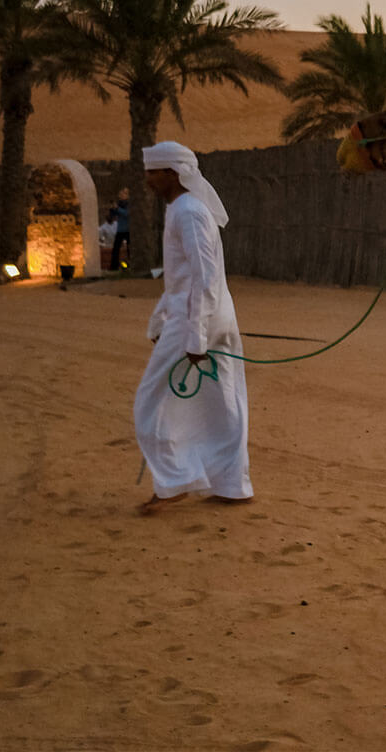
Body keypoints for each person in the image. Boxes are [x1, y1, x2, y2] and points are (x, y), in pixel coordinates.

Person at [132, 141, 252, 514]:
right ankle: (233, 485)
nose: (148, 179)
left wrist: (196, 337)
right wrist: (159, 317)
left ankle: (173, 482)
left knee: (151, 402)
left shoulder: (188, 212)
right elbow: (181, 279)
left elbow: (205, 279)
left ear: (173, 173)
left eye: (154, 172)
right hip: (202, 316)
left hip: (198, 320)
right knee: (222, 402)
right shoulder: (182, 210)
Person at [109, 188, 132, 271]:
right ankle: (114, 266)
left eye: (123, 194)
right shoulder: (119, 204)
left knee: (130, 249)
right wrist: (112, 209)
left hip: (128, 229)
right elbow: (112, 216)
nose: (121, 196)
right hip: (120, 229)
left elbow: (127, 214)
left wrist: (117, 208)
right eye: (120, 194)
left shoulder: (129, 204)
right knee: (116, 248)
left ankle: (131, 264)